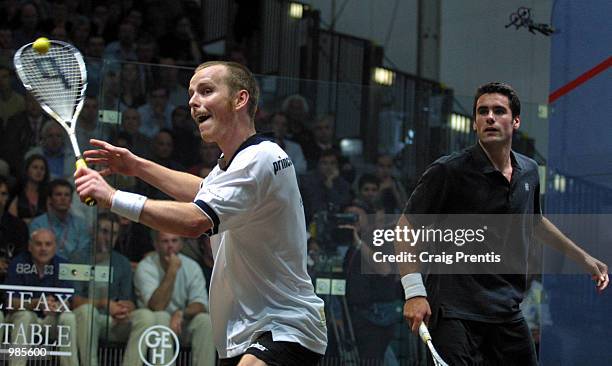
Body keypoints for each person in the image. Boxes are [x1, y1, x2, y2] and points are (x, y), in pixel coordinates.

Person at [75, 60, 327, 365]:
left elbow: (196, 220)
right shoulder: (235, 161)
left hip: (284, 327)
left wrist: (113, 197)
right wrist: (136, 166)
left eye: (206, 91)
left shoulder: (259, 159)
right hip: (244, 332)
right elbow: (202, 190)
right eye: (191, 94)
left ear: (240, 99)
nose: (194, 101)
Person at [397, 82, 609, 365]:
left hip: (505, 309)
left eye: (499, 111)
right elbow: (406, 227)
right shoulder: (448, 171)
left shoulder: (529, 171)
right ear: (474, 123)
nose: (490, 117)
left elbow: (534, 221)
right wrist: (414, 293)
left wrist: (583, 259)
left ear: (516, 121)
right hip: (454, 312)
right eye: (482, 112)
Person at [72, 213, 154, 366]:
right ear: (93, 231)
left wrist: (125, 308)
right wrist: (104, 303)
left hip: (114, 321)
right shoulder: (78, 258)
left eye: (114, 233)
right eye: (104, 231)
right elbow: (73, 302)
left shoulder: (122, 262)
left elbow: (129, 301)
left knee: (146, 316)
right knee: (86, 312)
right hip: (87, 321)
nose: (108, 237)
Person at [134, 230, 215, 366]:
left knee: (205, 321)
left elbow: (200, 304)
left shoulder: (192, 267)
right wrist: (172, 270)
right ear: (156, 245)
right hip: (153, 326)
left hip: (181, 324)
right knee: (162, 317)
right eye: (165, 241)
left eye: (174, 241)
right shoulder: (146, 267)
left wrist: (181, 313)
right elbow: (157, 306)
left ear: (181, 244)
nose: (170, 246)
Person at [4, 228, 78, 366]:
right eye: (38, 244)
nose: (43, 248)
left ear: (55, 247)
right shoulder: (18, 263)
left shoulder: (63, 265)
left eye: (48, 244)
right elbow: (10, 302)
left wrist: (57, 306)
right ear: (30, 247)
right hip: (21, 319)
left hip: (49, 319)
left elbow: (68, 302)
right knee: (24, 316)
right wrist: (37, 303)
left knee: (69, 317)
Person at [29, 179, 90, 260]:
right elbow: (36, 252)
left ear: (71, 200)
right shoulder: (38, 224)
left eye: (67, 195)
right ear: (50, 199)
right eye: (58, 194)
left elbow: (83, 254)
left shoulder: (81, 224)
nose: (63, 198)